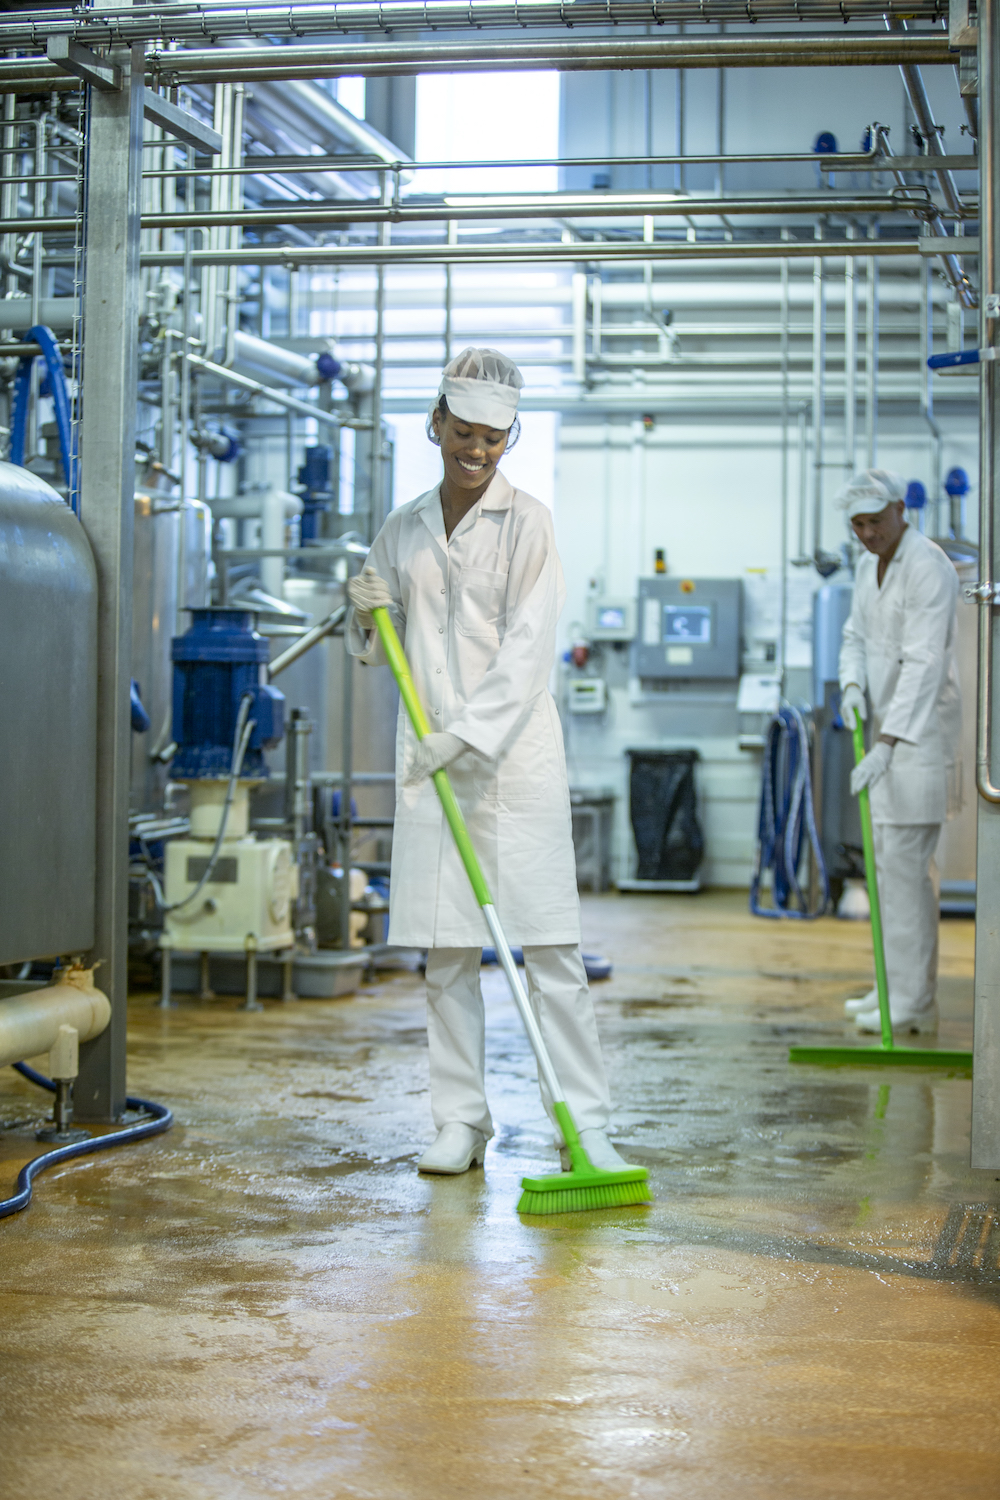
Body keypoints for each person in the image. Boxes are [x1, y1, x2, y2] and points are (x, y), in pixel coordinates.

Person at [345, 348, 627, 1176]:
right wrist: (361, 614)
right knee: (447, 956)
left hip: (511, 764)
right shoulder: (403, 527)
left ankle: (588, 1123)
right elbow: (376, 645)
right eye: (462, 433)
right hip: (432, 773)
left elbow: (528, 651)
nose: (476, 451)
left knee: (551, 952)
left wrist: (463, 736)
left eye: (492, 440)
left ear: (511, 438)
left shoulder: (530, 521)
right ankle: (460, 1122)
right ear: (435, 423)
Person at [837, 468, 962, 1034]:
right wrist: (851, 686)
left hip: (915, 745)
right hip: (881, 738)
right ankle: (892, 990)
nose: (868, 534)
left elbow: (924, 663)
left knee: (908, 879)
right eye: (858, 525)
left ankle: (914, 1001)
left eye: (875, 522)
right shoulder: (868, 567)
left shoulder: (928, 565)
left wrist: (888, 743)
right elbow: (854, 638)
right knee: (886, 878)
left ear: (900, 511)